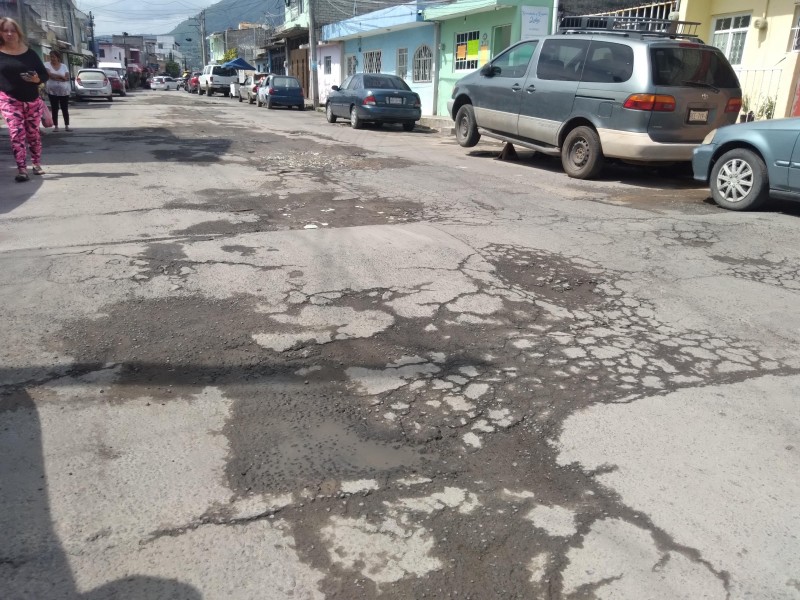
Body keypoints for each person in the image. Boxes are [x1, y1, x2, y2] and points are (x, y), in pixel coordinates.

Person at [0, 17, 49, 182]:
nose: (9, 33)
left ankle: (36, 163)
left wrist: (36, 80)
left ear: (18, 32)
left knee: (33, 133)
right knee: (16, 133)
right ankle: (22, 169)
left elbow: (44, 74)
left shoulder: (30, 53)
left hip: (32, 99)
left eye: (12, 30)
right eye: (5, 30)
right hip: (9, 99)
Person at [45, 49, 71, 132]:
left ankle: (67, 126)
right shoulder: (47, 65)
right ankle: (56, 126)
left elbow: (67, 77)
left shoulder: (64, 66)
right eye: (51, 57)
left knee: (64, 108)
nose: (52, 58)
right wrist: (61, 77)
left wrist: (62, 78)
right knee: (54, 108)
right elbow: (50, 75)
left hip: (64, 91)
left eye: (54, 57)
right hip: (52, 91)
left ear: (58, 57)